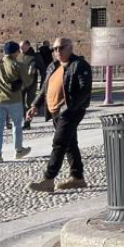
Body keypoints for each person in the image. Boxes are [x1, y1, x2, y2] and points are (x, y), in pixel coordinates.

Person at [27, 37, 93, 193]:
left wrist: (70, 108)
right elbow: (44, 89)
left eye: (61, 48)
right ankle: (77, 177)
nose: (57, 51)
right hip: (55, 111)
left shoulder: (79, 65)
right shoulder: (53, 66)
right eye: (55, 49)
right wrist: (35, 105)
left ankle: (48, 179)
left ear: (70, 47)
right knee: (70, 143)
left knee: (59, 143)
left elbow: (85, 90)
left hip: (70, 111)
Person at [0, 41, 36, 164]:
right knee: (17, 125)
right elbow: (27, 82)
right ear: (16, 52)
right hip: (15, 100)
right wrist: (31, 74)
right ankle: (18, 150)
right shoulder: (19, 65)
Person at [16, 39, 40, 128]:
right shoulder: (18, 56)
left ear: (28, 46)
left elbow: (43, 70)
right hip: (20, 84)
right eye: (20, 47)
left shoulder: (36, 56)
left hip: (32, 83)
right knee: (20, 103)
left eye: (23, 47)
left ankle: (27, 123)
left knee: (30, 103)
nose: (21, 49)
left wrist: (42, 84)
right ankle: (24, 120)